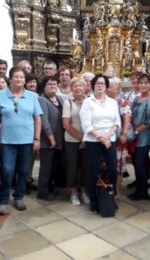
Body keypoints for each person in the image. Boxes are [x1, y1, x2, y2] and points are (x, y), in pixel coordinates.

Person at [0, 66, 43, 215]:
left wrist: (37, 138)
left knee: (24, 170)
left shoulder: (32, 97)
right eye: (16, 77)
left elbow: (37, 118)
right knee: (7, 171)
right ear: (11, 78)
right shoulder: (0, 95)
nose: (19, 79)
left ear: (25, 80)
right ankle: (3, 200)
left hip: (27, 140)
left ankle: (19, 197)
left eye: (22, 77)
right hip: (7, 141)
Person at [79, 75, 121, 212]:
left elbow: (117, 122)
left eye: (102, 83)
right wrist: (101, 138)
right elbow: (86, 125)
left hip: (110, 140)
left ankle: (109, 197)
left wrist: (108, 136)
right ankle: (93, 199)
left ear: (106, 86)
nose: (100, 85)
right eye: (97, 83)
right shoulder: (87, 102)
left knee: (113, 170)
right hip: (93, 141)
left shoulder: (112, 102)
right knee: (92, 171)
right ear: (92, 85)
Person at [128, 73, 150, 200]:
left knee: (139, 162)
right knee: (139, 162)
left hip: (144, 136)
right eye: (141, 82)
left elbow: (149, 121)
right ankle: (142, 185)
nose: (143, 85)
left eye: (146, 83)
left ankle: (142, 191)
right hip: (134, 135)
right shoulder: (137, 98)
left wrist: (135, 132)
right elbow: (130, 113)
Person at [62, 77, 89, 205]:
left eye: (80, 86)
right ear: (71, 88)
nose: (78, 88)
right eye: (75, 86)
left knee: (85, 167)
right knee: (72, 167)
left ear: (84, 88)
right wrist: (81, 139)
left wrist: (86, 139)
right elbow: (66, 125)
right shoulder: (68, 102)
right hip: (72, 140)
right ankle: (73, 193)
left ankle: (83, 191)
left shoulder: (89, 102)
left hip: (88, 140)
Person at [37, 76, 65, 201]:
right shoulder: (42, 100)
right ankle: (43, 191)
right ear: (44, 86)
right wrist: (51, 138)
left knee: (54, 166)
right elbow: (44, 120)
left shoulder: (59, 98)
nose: (53, 86)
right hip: (47, 139)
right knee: (46, 167)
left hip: (59, 138)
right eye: (49, 84)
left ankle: (50, 187)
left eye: (55, 83)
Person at [106, 77, 132, 195]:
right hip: (105, 138)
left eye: (109, 86)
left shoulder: (122, 102)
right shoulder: (104, 100)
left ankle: (116, 189)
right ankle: (105, 188)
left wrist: (124, 134)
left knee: (118, 166)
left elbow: (127, 118)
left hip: (117, 138)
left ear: (117, 89)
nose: (107, 88)